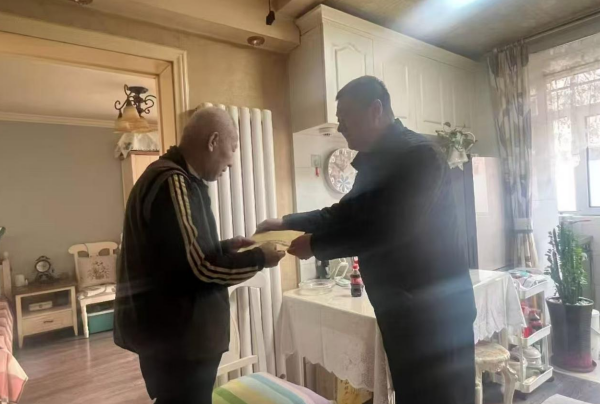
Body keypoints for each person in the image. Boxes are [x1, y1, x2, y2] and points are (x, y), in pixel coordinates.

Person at [258, 76, 476, 404]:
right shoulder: (375, 163)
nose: (340, 127)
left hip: (436, 316)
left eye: (345, 117)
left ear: (376, 110)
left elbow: (388, 229)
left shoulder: (420, 156)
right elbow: (344, 214)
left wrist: (315, 246)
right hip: (404, 312)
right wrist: (286, 222)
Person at [114, 107, 285, 404]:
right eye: (232, 148)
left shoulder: (171, 177)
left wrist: (224, 246)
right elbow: (199, 268)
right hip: (180, 340)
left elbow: (175, 256)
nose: (231, 162)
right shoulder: (173, 181)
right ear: (213, 141)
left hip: (170, 337)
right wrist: (259, 258)